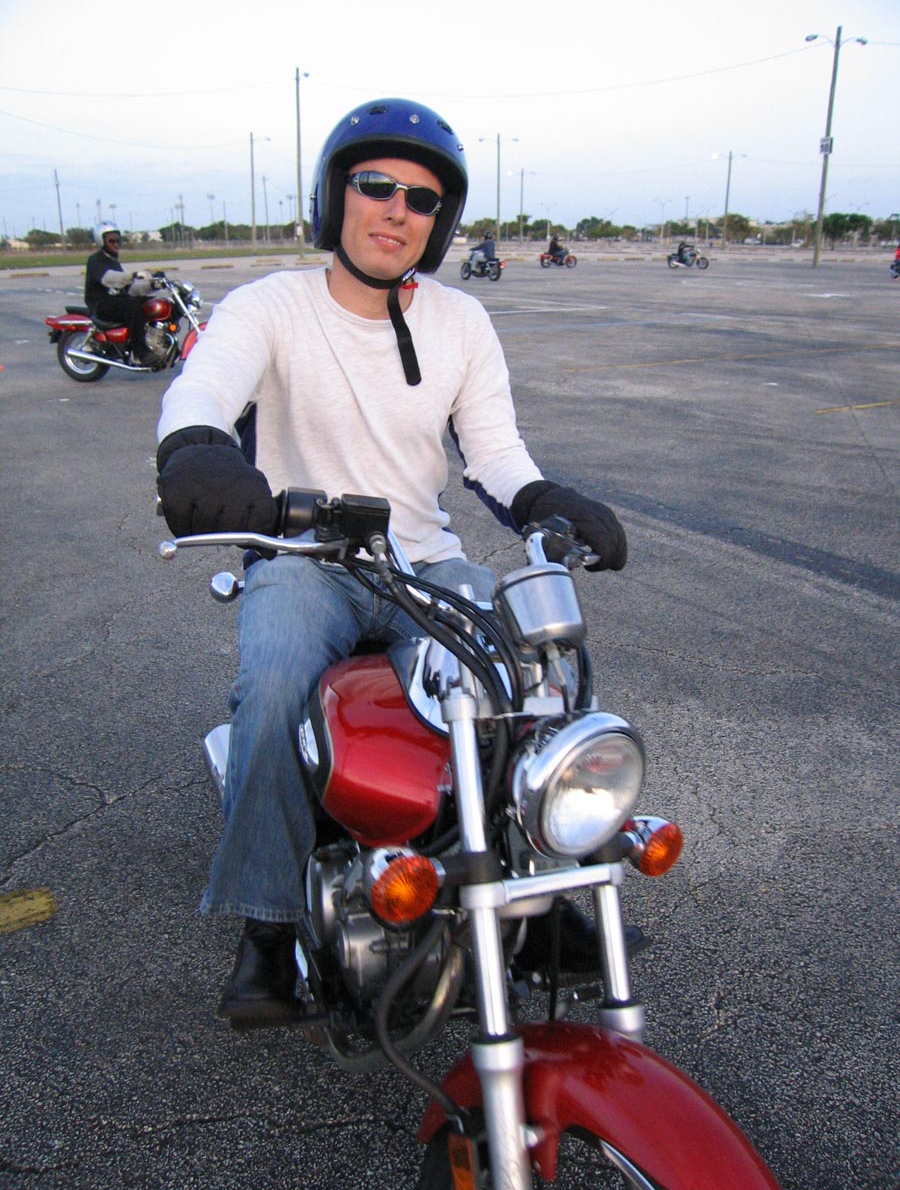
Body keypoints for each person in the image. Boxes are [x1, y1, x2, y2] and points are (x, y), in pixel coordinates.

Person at [156, 97, 633, 1028]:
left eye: (421, 199)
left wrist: (549, 501)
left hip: (422, 564)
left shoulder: (462, 321)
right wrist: (198, 453)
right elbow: (200, 391)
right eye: (376, 186)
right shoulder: (269, 306)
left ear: (440, 222)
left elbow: (494, 453)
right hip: (304, 557)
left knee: (535, 675)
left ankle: (536, 891)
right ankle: (267, 922)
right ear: (335, 194)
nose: (395, 210)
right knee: (276, 680)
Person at [85, 223, 153, 365]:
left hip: (115, 300)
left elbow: (129, 288)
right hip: (101, 304)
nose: (116, 244)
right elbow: (109, 278)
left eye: (118, 240)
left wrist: (151, 285)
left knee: (147, 302)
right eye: (111, 241)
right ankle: (139, 354)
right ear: (101, 241)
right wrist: (133, 275)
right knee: (133, 306)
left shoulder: (114, 262)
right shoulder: (95, 261)